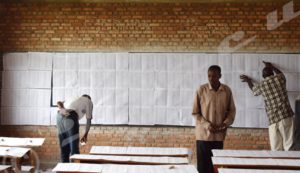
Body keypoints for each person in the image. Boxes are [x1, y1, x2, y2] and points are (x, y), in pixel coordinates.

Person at [240, 61, 294, 151]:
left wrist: (249, 81)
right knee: (289, 145)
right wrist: (272, 67)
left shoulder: (261, 85)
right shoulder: (279, 79)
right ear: (272, 73)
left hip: (272, 120)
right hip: (285, 116)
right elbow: (281, 74)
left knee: (276, 149)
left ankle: (279, 164)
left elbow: (254, 90)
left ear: (262, 76)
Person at [192, 65, 236, 173]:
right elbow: (195, 113)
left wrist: (225, 124)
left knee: (215, 168)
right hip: (203, 136)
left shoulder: (226, 90)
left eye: (214, 76)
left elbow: (232, 111)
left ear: (220, 76)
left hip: (218, 136)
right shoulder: (201, 90)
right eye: (209, 76)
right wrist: (207, 125)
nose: (211, 78)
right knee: (203, 168)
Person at [56, 94, 93, 162]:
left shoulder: (73, 97)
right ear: (88, 98)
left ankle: (63, 170)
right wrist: (86, 134)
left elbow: (59, 103)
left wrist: (63, 111)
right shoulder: (89, 101)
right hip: (70, 117)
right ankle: (74, 170)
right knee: (74, 150)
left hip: (59, 116)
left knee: (64, 149)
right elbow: (88, 120)